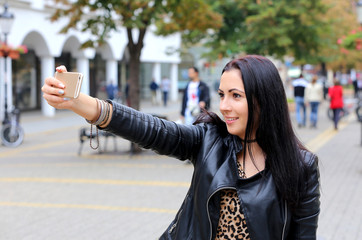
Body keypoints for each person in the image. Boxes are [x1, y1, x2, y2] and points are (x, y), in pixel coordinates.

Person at [42, 55, 320, 240]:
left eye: (236, 96)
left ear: (264, 100)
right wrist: (80, 103)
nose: (224, 106)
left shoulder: (302, 166)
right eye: (222, 95)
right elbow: (152, 130)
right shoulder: (210, 141)